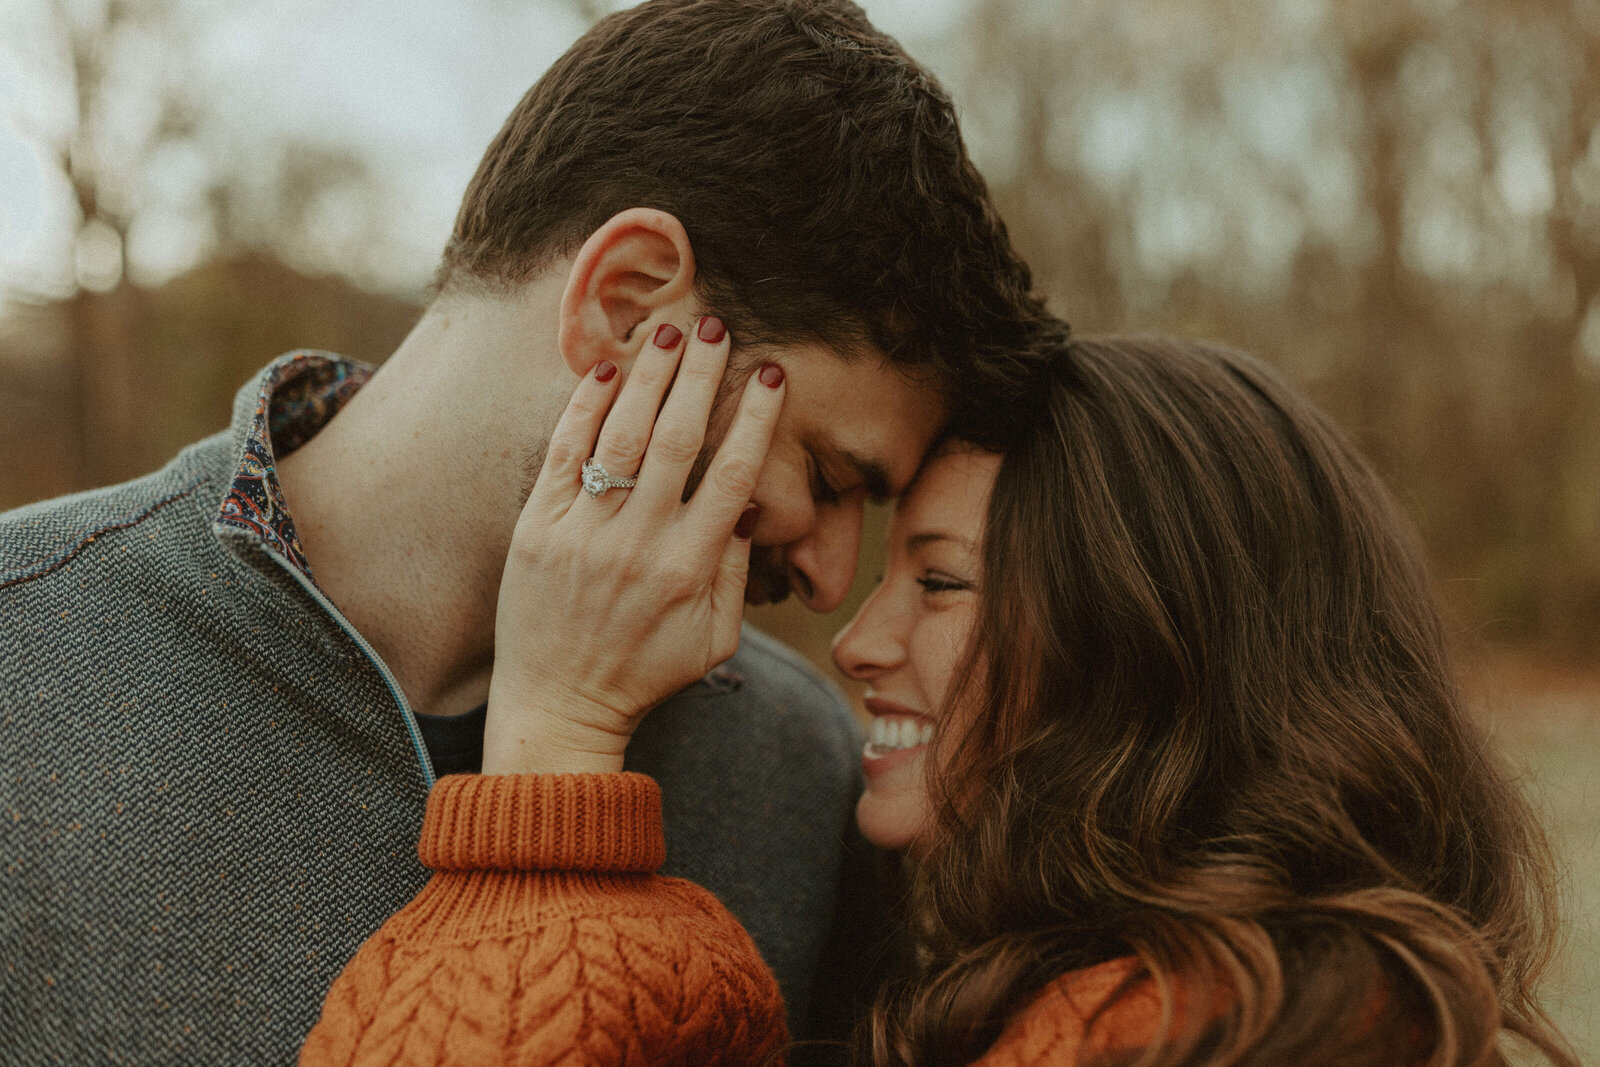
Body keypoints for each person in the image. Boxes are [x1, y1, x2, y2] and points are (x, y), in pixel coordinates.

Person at [0, 1, 1062, 1061]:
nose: (833, 581)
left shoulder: (799, 765)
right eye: (827, 474)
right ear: (630, 300)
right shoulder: (24, 658)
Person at [300, 333, 1577, 1065]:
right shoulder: (1238, 1005)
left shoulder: (1173, 1036)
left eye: (944, 579)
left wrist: (554, 750)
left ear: (1150, 649)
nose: (857, 640)